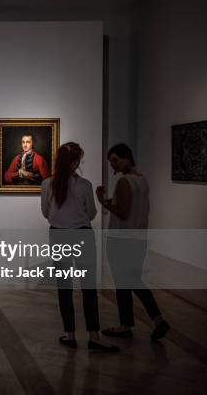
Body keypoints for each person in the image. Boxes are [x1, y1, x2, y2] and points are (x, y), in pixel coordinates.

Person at [41, 142, 119, 352]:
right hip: (83, 236)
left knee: (64, 288)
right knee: (88, 287)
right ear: (75, 162)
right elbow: (92, 213)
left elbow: (45, 212)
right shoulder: (84, 185)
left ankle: (70, 335)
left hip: (58, 235)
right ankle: (94, 335)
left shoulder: (48, 184)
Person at [96, 143, 170, 341]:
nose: (113, 165)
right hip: (138, 238)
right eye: (111, 162)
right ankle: (157, 319)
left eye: (115, 160)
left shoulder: (124, 182)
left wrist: (102, 201)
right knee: (135, 280)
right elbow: (135, 208)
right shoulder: (143, 180)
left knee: (123, 282)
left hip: (121, 239)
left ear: (127, 158)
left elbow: (123, 212)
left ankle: (125, 325)